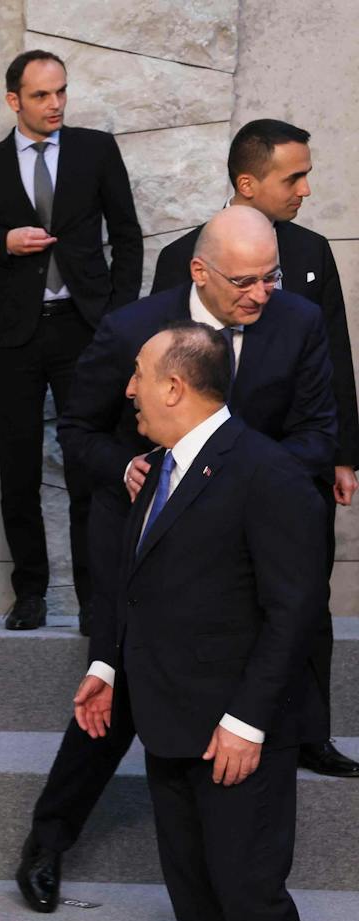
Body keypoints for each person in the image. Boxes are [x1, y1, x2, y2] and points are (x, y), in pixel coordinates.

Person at [17, 206, 339, 911]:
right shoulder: (132, 329)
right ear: (200, 272)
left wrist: (238, 487)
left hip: (246, 554)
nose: (262, 294)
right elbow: (78, 428)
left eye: (272, 277)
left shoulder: (298, 323)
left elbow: (318, 433)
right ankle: (48, 838)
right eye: (246, 282)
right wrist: (124, 466)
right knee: (115, 696)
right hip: (143, 545)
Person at [76, 324, 335, 921]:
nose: (128, 389)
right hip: (168, 717)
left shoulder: (268, 472)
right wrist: (106, 666)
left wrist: (248, 720)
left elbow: (294, 611)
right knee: (194, 890)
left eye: (139, 375)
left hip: (238, 731)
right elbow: (136, 583)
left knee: (250, 893)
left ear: (175, 387)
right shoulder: (159, 467)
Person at [151, 119, 358, 779]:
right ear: (248, 183)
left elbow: (336, 356)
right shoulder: (182, 257)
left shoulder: (311, 252)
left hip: (296, 464)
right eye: (293, 177)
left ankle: (310, 733)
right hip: (204, 476)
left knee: (304, 599)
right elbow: (161, 368)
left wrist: (343, 454)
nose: (305, 189)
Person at [0, 49, 142, 631]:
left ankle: (95, 598)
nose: (56, 104)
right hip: (12, 338)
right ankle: (30, 593)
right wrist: (2, 243)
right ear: (14, 101)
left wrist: (117, 320)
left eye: (61, 92)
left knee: (89, 466)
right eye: (41, 95)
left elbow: (128, 237)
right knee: (18, 471)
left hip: (85, 329)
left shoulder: (96, 151)